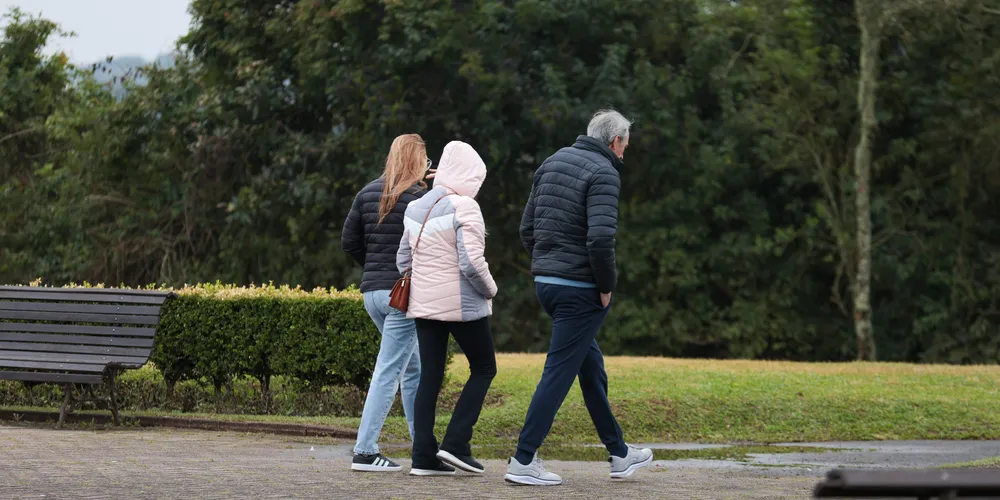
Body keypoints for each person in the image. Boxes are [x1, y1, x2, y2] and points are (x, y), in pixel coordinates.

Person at [505, 110, 653, 486]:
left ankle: (619, 453)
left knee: (590, 367)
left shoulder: (552, 161)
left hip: (548, 284)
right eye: (625, 147)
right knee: (559, 372)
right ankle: (523, 459)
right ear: (614, 142)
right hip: (579, 289)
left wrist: (546, 264)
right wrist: (605, 286)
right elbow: (600, 239)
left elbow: (527, 227)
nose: (624, 155)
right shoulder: (604, 172)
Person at [397, 140, 498, 477]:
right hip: (462, 304)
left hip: (423, 306)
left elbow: (402, 261)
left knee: (430, 376)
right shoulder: (464, 207)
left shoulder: (416, 206)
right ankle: (456, 443)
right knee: (484, 367)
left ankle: (422, 456)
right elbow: (471, 263)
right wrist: (491, 290)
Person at [341, 133, 434, 472]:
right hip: (403, 295)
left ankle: (421, 444)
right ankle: (365, 451)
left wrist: (375, 270)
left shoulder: (367, 192)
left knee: (412, 368)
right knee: (389, 370)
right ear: (417, 159)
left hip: (373, 294)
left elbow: (349, 242)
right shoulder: (418, 198)